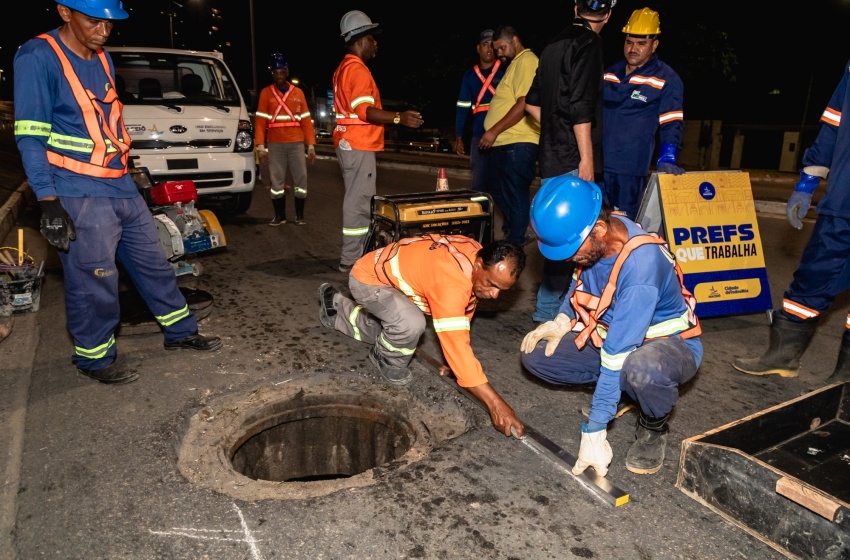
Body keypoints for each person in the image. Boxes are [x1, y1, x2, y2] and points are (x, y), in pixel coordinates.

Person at [13, 0, 222, 385]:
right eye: (94, 21)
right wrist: (48, 201)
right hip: (77, 191)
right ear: (64, 12)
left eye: (110, 24)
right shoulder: (37, 57)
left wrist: (133, 174)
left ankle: (181, 332)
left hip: (119, 185)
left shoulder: (103, 58)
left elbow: (107, 124)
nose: (103, 31)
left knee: (155, 264)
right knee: (96, 278)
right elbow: (30, 137)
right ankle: (93, 358)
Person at [520, 175, 702, 475]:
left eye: (571, 251)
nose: (567, 259)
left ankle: (653, 426)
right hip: (612, 335)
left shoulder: (641, 268)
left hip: (667, 347)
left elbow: (617, 352)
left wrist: (594, 431)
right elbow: (581, 286)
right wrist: (563, 319)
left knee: (641, 370)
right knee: (536, 356)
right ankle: (622, 389)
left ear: (600, 230)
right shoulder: (599, 234)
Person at [317, 235, 526, 437]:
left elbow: (461, 313)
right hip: (367, 280)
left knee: (395, 327)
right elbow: (457, 340)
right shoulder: (449, 282)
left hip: (392, 280)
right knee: (410, 324)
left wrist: (453, 363)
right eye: (492, 284)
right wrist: (496, 404)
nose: (494, 295)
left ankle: (335, 306)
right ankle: (386, 358)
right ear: (479, 265)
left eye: (502, 290)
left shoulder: (473, 254)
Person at [732, 58, 850, 384]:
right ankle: (783, 356)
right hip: (843, 198)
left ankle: (845, 379)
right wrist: (808, 181)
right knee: (811, 278)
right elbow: (833, 125)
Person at [524, 0, 614, 324]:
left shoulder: (552, 45)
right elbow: (581, 106)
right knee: (582, 241)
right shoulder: (589, 43)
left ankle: (547, 312)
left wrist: (553, 129)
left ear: (575, 7)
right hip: (574, 158)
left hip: (551, 157)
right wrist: (586, 160)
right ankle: (566, 314)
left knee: (557, 235)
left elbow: (531, 104)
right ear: (608, 13)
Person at [332, 10, 424, 273]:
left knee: (358, 200)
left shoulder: (342, 69)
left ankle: (356, 255)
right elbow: (365, 111)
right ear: (360, 40)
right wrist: (399, 118)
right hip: (358, 144)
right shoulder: (357, 70)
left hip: (349, 143)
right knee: (359, 204)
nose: (375, 44)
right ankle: (352, 259)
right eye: (371, 38)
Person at [603, 6, 685, 220]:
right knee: (594, 228)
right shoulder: (610, 73)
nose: (633, 48)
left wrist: (668, 155)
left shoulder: (666, 78)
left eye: (641, 43)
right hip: (597, 166)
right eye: (629, 42)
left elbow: (672, 121)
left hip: (629, 170)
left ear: (654, 45)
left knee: (622, 226)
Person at [479, 25, 540, 247]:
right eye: (496, 50)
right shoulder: (515, 65)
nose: (499, 53)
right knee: (498, 191)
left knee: (516, 193)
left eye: (502, 47)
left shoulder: (527, 61)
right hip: (506, 142)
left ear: (515, 40)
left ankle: (516, 241)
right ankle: (516, 232)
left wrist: (494, 131)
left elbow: (524, 102)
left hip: (518, 141)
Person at [255, 52, 317, 226]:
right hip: (275, 144)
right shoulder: (266, 93)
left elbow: (306, 120)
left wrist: (311, 145)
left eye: (281, 71)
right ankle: (279, 216)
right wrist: (260, 146)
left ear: (287, 71)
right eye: (275, 72)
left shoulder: (298, 93)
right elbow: (260, 121)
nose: (279, 75)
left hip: (296, 143)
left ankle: (299, 215)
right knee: (276, 181)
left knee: (301, 179)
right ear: (272, 73)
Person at [454, 29, 504, 193]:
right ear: (478, 48)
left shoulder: (506, 71)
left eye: (492, 45)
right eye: (484, 44)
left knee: (503, 185)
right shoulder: (469, 76)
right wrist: (459, 137)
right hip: (479, 137)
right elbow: (462, 108)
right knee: (478, 186)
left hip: (504, 136)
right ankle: (481, 217)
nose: (489, 49)